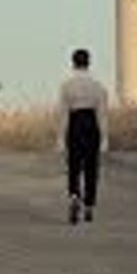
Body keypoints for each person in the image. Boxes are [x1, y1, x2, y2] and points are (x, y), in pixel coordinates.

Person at [55, 48, 109, 224]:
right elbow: (102, 115)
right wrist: (105, 139)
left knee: (74, 166)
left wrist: (60, 139)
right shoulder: (98, 86)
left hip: (74, 124)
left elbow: (63, 114)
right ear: (89, 62)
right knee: (91, 168)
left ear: (73, 62)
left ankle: (73, 195)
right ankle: (89, 205)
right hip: (91, 124)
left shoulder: (67, 85)